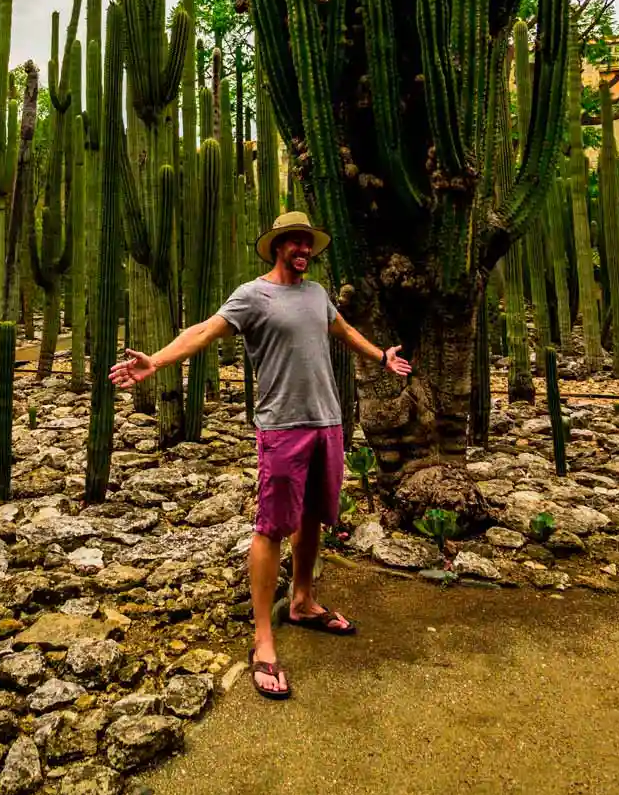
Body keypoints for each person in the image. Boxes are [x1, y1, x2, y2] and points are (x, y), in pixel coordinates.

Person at [110, 209, 410, 702]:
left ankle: (303, 602)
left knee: (312, 517)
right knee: (271, 527)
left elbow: (341, 330)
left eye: (307, 243)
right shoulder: (252, 296)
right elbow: (204, 331)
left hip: (327, 421)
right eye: (294, 242)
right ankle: (263, 640)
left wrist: (379, 355)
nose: (303, 250)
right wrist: (157, 361)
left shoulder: (316, 294)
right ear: (276, 247)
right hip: (282, 427)